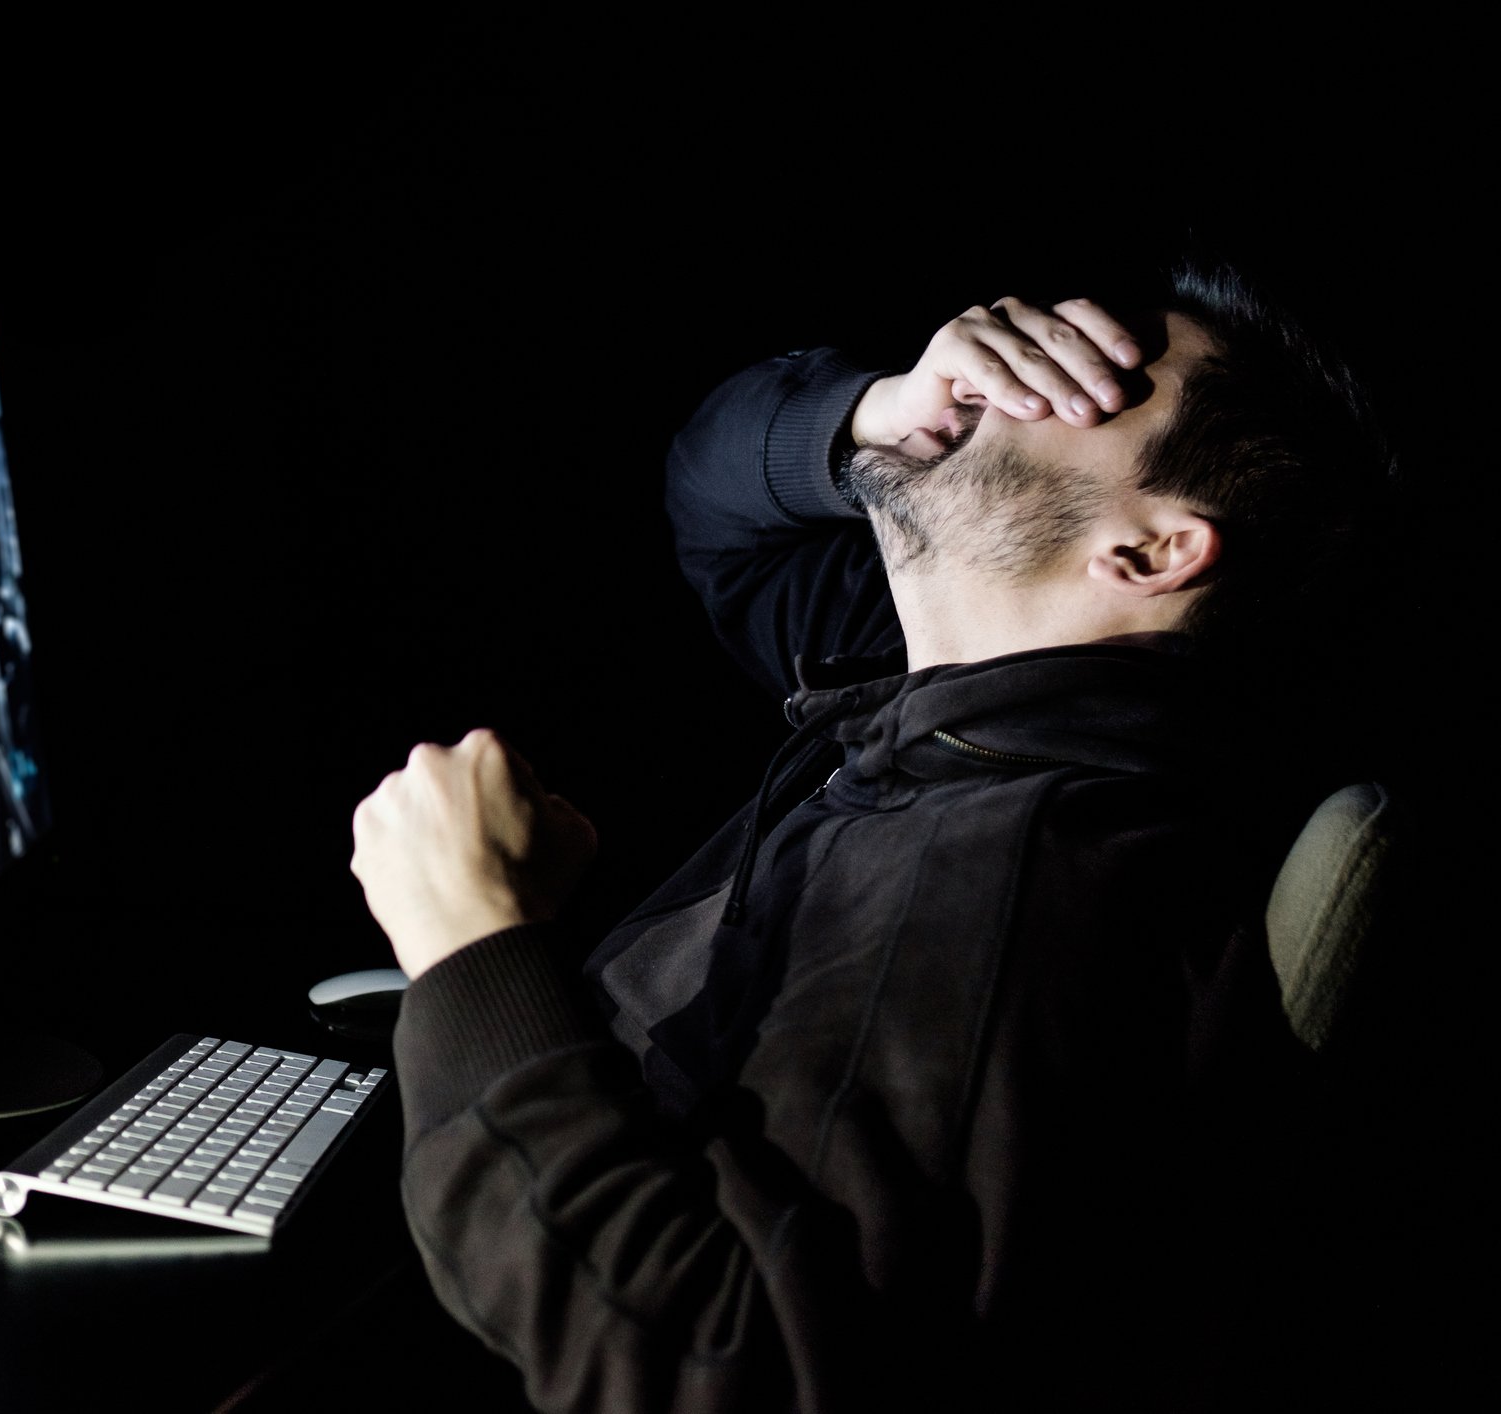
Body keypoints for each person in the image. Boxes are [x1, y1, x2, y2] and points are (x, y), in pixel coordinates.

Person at [348, 264, 1392, 1411]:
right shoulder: (955, 710)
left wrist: (473, 940)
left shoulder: (1010, 878)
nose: (1017, 368)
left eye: (1102, 381)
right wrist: (880, 409)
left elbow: (727, 1373)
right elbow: (718, 508)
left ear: (1149, 555)